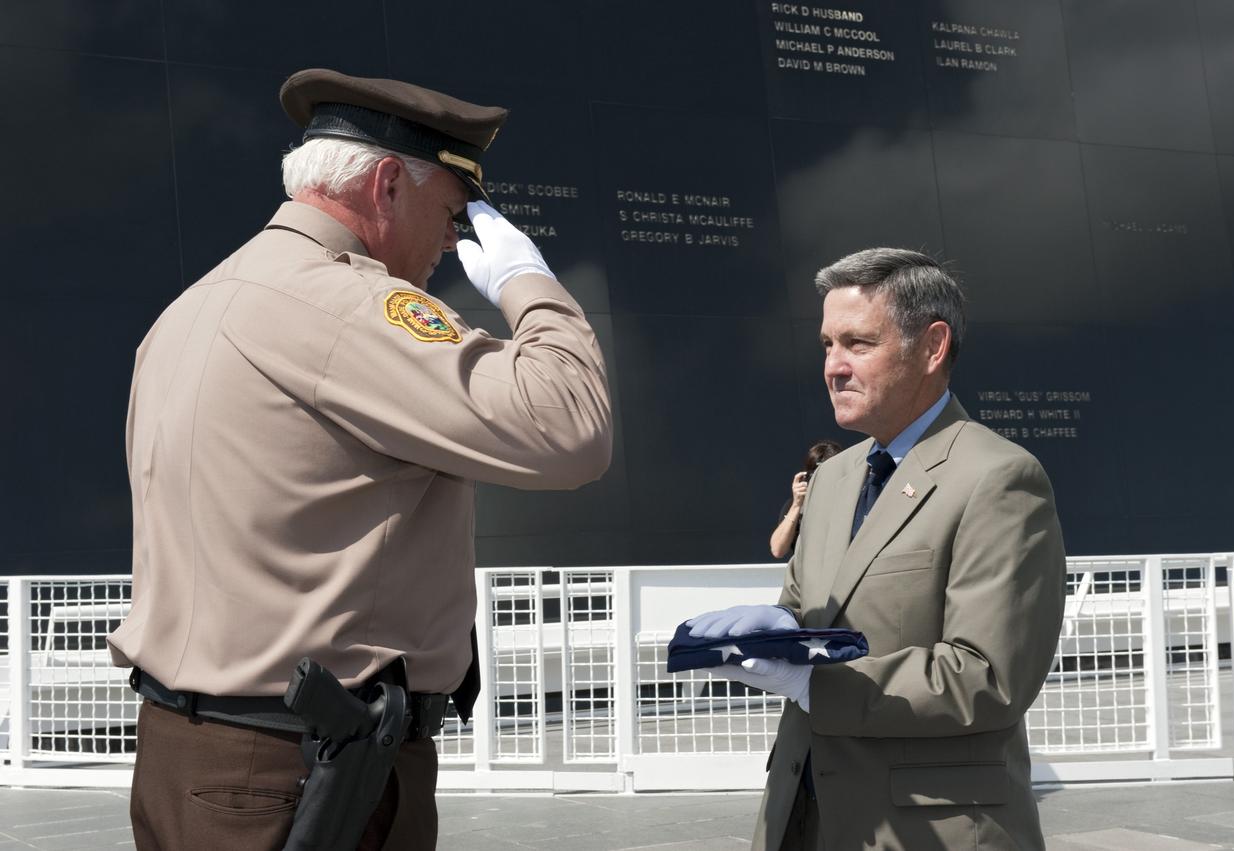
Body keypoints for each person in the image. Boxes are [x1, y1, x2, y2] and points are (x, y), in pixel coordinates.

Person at [107, 68, 612, 851]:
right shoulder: (348, 307)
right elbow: (571, 426)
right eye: (451, 212)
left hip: (184, 750)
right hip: (301, 772)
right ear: (385, 185)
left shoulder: (190, 307)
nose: (453, 240)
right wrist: (527, 282)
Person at [685, 248, 1065, 850]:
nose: (834, 366)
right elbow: (808, 606)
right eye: (826, 345)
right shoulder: (834, 479)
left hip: (927, 829)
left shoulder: (999, 479)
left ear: (933, 347)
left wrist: (815, 683)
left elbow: (988, 675)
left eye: (858, 344)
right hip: (802, 815)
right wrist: (773, 629)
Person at [769, 440, 842, 559]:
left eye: (828, 474)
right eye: (815, 475)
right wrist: (797, 505)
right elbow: (778, 550)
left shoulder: (851, 501)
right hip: (806, 574)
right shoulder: (797, 507)